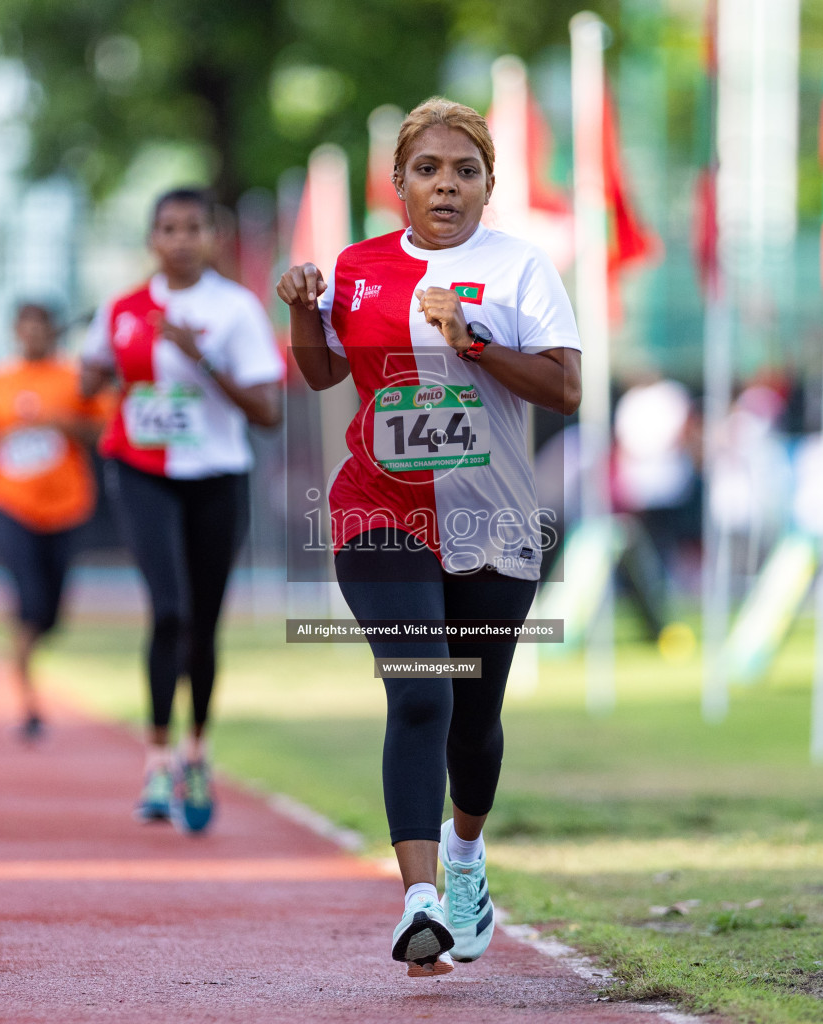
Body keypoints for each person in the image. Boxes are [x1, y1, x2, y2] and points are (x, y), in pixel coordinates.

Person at [277, 97, 581, 977]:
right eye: (428, 170)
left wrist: (473, 341)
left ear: (490, 184)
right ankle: (418, 900)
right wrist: (303, 307)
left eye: (465, 170)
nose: (446, 185)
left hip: (492, 521)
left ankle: (465, 857)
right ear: (398, 183)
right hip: (378, 509)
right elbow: (324, 368)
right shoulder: (360, 267)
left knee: (473, 718)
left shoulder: (522, 269)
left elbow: (564, 391)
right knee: (420, 692)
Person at [81, 187, 283, 832]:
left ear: (213, 237)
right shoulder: (123, 309)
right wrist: (94, 376)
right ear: (151, 239)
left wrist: (202, 359)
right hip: (141, 471)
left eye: (194, 227)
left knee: (202, 620)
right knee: (167, 610)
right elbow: (90, 374)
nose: (180, 240)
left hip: (217, 475)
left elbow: (268, 414)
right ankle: (158, 758)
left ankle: (198, 748)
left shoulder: (236, 310)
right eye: (168, 228)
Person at [0, 301, 106, 742]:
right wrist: (3, 435)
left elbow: (102, 431)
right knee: (27, 601)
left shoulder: (74, 377)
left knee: (50, 614)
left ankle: (32, 638)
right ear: (14, 332)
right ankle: (29, 704)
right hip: (9, 503)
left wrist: (61, 423)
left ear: (52, 332)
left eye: (40, 327)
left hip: (66, 504)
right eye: (23, 327)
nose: (32, 335)